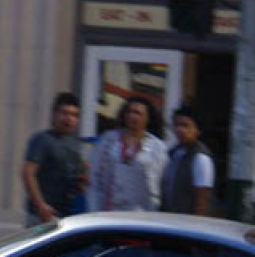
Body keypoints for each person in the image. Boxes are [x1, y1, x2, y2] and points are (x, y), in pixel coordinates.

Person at [22, 92, 88, 226]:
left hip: (68, 215)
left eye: (74, 115)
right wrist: (41, 205)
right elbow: (28, 173)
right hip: (43, 216)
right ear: (54, 114)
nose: (68, 119)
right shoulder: (42, 140)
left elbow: (82, 178)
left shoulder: (77, 144)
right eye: (64, 113)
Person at [92, 96, 167, 212]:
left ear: (148, 118)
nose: (132, 116)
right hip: (109, 212)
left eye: (137, 113)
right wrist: (94, 209)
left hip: (142, 214)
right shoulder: (108, 140)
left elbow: (160, 183)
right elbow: (95, 175)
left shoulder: (157, 147)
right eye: (129, 112)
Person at [161, 104, 215, 215]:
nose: (180, 130)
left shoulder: (200, 158)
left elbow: (202, 198)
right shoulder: (173, 153)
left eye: (186, 126)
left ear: (197, 130)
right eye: (177, 125)